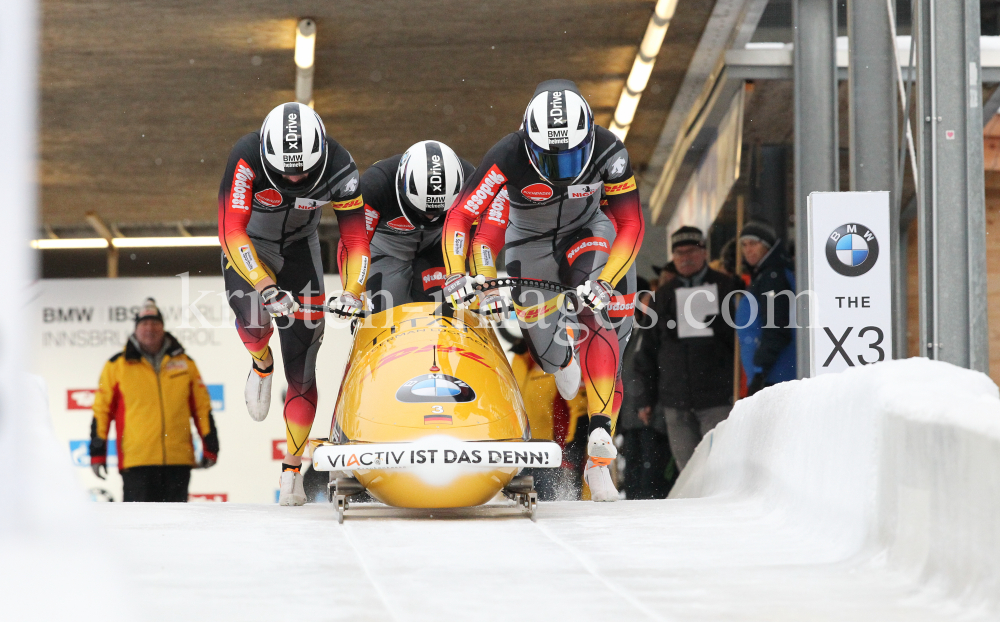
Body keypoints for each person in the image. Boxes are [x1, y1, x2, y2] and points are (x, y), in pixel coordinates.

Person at [439, 79, 644, 502]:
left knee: (600, 311)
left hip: (589, 231)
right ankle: (562, 354)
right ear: (529, 145)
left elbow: (630, 223)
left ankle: (600, 439)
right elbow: (462, 217)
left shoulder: (609, 149)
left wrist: (606, 281)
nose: (562, 170)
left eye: (571, 158)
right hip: (528, 245)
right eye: (550, 160)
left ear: (588, 140)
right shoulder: (508, 153)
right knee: (549, 356)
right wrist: (458, 273)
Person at [218, 102, 370, 505]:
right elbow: (231, 229)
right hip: (251, 248)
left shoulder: (340, 167)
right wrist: (267, 287)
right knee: (253, 319)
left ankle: (291, 468)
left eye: (303, 170)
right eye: (286, 172)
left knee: (303, 365)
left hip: (301, 251)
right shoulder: (246, 156)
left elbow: (355, 240)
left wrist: (353, 292)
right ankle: (260, 363)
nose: (295, 177)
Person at [634, 226, 742, 471]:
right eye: (679, 253)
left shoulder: (727, 288)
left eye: (691, 250)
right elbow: (648, 351)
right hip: (676, 401)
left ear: (704, 252)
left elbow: (737, 342)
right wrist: (645, 398)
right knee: (688, 471)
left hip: (718, 398)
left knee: (720, 466)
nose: (685, 257)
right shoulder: (661, 296)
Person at [89, 299, 218, 502]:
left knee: (177, 529)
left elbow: (202, 408)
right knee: (138, 528)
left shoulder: (185, 363)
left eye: (155, 323)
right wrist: (97, 452)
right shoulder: (116, 366)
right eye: (144, 324)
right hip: (136, 462)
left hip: (178, 461)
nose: (150, 328)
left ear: (163, 327)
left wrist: (211, 445)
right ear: (136, 329)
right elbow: (101, 412)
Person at [337, 140, 479, 313]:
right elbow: (353, 244)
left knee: (444, 310)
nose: (430, 217)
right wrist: (352, 292)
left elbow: (476, 237)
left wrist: (480, 282)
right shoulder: (376, 185)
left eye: (438, 213)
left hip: (439, 245)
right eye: (422, 211)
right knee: (384, 315)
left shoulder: (470, 181)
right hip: (385, 250)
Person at [509, 331, 589, 500]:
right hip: (518, 450)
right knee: (515, 508)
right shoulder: (518, 359)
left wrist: (572, 444)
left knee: (549, 506)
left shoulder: (559, 359)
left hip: (549, 451)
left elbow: (578, 408)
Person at [617, 278, 676, 499]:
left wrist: (647, 403)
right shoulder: (635, 331)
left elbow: (649, 371)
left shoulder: (652, 331)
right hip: (633, 419)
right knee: (635, 475)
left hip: (651, 417)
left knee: (650, 478)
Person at [736, 221, 797, 395]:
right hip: (774, 374)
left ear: (768, 246)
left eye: (754, 244)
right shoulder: (766, 275)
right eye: (744, 245)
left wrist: (759, 372)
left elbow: (776, 328)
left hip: (776, 376)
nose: (748, 250)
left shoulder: (772, 276)